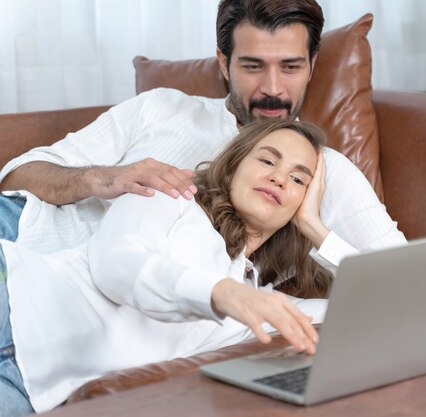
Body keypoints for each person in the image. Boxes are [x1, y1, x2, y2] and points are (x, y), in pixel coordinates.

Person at [0, 119, 358, 416]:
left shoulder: (261, 305)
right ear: (233, 166)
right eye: (267, 161)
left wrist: (315, 228)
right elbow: (116, 264)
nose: (280, 178)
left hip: (30, 386)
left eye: (299, 179)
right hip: (14, 299)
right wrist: (220, 293)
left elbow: (388, 310)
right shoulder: (172, 199)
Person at [0, 0, 406, 262]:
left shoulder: (321, 170)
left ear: (312, 66)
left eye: (290, 66)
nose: (273, 89)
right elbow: (15, 176)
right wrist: (105, 178)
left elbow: (406, 277)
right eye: (252, 66)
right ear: (224, 63)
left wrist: (315, 229)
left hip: (69, 313)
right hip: (17, 231)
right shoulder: (160, 106)